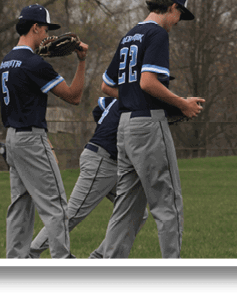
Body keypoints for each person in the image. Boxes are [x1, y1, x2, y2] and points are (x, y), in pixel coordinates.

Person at [98, 0, 204, 258]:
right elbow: (147, 82)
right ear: (173, 8)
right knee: (168, 204)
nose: (178, 21)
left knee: (127, 207)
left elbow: (107, 86)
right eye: (180, 13)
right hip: (148, 127)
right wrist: (182, 103)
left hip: (125, 127)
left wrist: (133, 95)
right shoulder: (156, 33)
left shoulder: (129, 36)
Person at [0, 4, 88, 258]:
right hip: (30, 139)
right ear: (35, 26)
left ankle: (16, 260)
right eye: (45, 29)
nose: (47, 36)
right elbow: (73, 96)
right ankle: (62, 258)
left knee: (20, 204)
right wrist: (82, 62)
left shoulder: (7, 60)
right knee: (57, 204)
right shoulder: (34, 63)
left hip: (13, 140)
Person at [28, 97, 148, 258]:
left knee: (137, 212)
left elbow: (99, 107)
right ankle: (30, 253)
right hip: (101, 162)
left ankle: (99, 257)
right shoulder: (136, 100)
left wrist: (106, 126)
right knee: (72, 214)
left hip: (107, 162)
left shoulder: (120, 99)